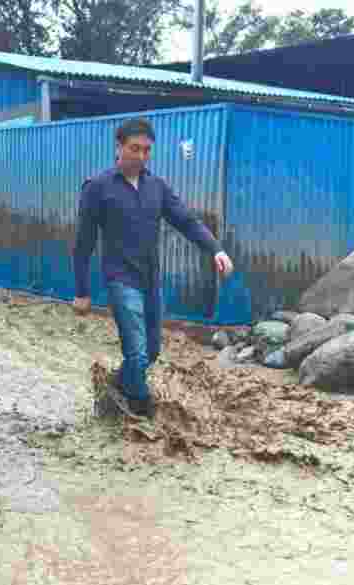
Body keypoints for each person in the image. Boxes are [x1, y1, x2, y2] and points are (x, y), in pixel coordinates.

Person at [73, 117, 234, 418]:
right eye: (135, 149)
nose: (142, 156)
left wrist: (216, 249)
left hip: (150, 280)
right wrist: (82, 292)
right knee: (136, 351)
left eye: (147, 150)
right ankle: (144, 411)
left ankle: (116, 389)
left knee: (153, 352)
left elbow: (186, 221)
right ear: (119, 146)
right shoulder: (98, 187)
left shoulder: (156, 187)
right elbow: (83, 243)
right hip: (120, 280)